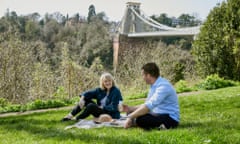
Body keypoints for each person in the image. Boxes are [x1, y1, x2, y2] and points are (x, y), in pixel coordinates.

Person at [123, 62, 180, 130]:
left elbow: (148, 107)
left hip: (169, 118)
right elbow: (146, 104)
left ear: (148, 75)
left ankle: (163, 126)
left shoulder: (163, 86)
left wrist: (130, 117)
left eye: (143, 75)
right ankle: (132, 122)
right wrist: (130, 109)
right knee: (132, 113)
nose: (143, 78)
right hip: (157, 114)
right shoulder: (153, 85)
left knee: (141, 119)